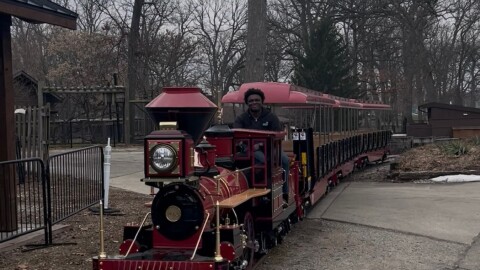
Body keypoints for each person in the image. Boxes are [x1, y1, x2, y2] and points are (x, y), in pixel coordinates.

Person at [233, 88, 290, 206]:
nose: (254, 102)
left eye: (257, 100)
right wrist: (250, 145)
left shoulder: (271, 117)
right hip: (251, 149)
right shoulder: (241, 118)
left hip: (271, 147)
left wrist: (261, 143)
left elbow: (277, 134)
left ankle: (284, 193)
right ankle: (258, 190)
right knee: (260, 160)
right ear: (247, 103)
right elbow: (237, 135)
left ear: (262, 101)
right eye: (251, 100)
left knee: (284, 160)